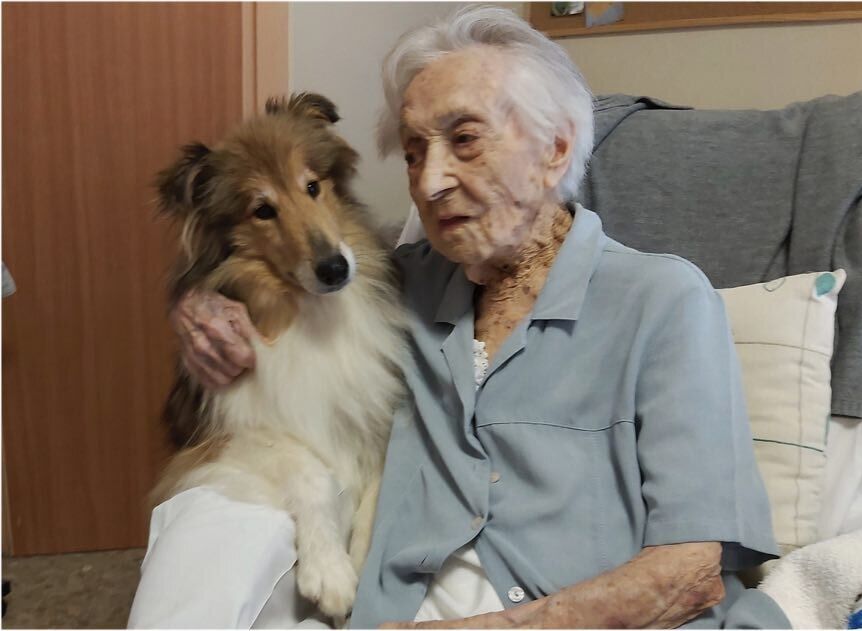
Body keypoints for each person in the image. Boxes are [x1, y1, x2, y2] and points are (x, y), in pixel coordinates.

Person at [154, 7, 791, 628]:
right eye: (411, 154)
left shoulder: (662, 301)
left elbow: (690, 571)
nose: (429, 182)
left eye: (464, 140)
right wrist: (201, 308)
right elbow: (273, 292)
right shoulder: (398, 288)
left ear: (555, 150)